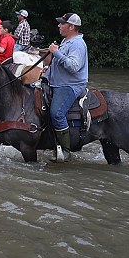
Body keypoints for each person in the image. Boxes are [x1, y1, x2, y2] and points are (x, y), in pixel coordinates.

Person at [45, 12, 88, 163]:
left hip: (70, 85)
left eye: (62, 23)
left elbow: (73, 66)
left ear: (71, 27)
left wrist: (56, 52)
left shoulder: (77, 44)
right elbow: (59, 64)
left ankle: (66, 150)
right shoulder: (66, 41)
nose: (59, 25)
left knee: (56, 113)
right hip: (57, 82)